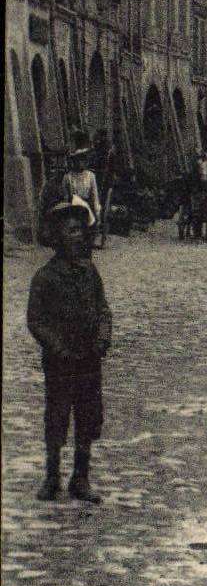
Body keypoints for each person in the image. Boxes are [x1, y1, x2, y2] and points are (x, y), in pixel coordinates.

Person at [27, 198, 112, 503]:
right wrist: (57, 347)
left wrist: (102, 339)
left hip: (89, 359)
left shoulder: (90, 273)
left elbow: (103, 309)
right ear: (57, 238)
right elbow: (36, 320)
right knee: (57, 418)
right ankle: (51, 477)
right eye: (70, 231)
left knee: (88, 418)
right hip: (60, 362)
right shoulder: (45, 278)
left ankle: (81, 477)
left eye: (80, 230)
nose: (78, 236)